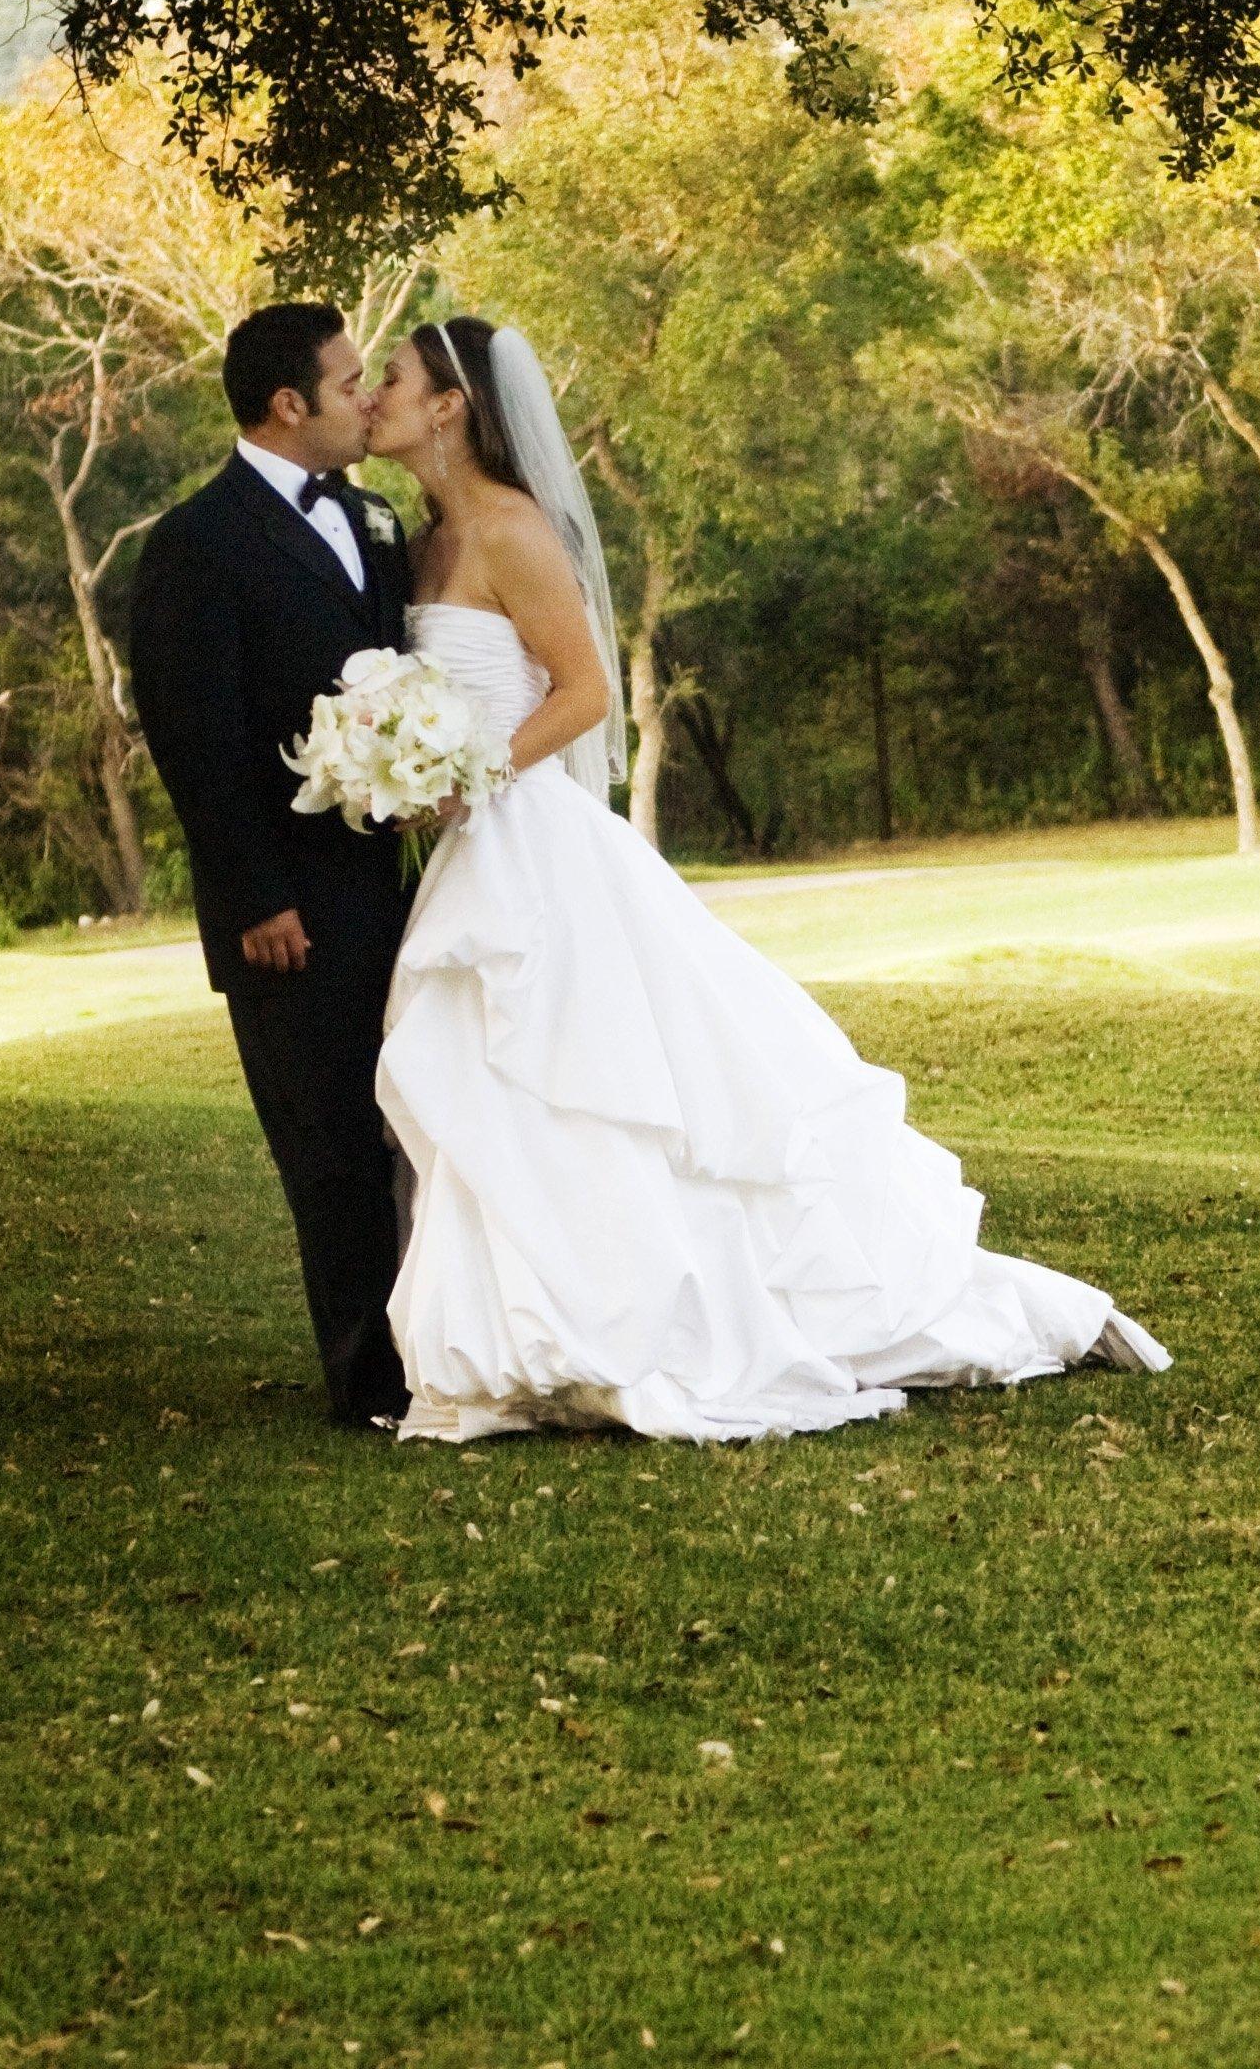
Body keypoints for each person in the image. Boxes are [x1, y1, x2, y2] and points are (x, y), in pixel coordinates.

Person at [357, 316, 1168, 1441]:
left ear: (449, 405)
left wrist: (468, 771)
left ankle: (641, 1327)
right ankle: (515, 1340)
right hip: (468, 848)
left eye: (390, 378)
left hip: (526, 839)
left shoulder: (508, 528)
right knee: (495, 1091)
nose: (372, 393)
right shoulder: (419, 537)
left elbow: (585, 691)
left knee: (582, 1083)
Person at [127, 301, 416, 1426]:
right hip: (284, 911)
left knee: (407, 1119)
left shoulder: (376, 520)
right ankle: (366, 1381)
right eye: (350, 384)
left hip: (391, 890)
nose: (365, 400)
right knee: (330, 1145)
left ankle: (437, 1346)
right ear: (288, 405)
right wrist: (256, 897)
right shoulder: (194, 543)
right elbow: (190, 735)